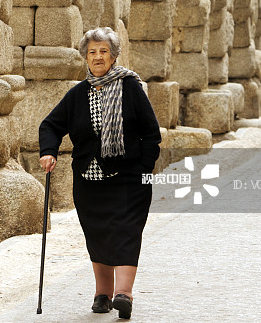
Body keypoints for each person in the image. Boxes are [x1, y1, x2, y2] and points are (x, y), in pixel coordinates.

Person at [39, 27, 161, 319]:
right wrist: (48, 151)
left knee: (126, 232)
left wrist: (144, 168)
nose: (97, 57)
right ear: (85, 57)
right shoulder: (77, 94)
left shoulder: (130, 87)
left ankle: (124, 294)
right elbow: (51, 125)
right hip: (88, 181)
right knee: (98, 234)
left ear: (114, 56)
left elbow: (151, 132)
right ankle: (102, 294)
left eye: (103, 51)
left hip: (129, 179)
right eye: (92, 52)